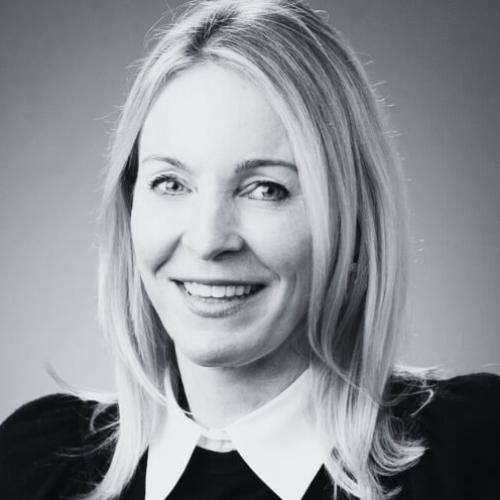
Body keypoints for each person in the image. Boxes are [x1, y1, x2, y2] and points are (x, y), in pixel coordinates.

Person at [1, 1, 499, 499]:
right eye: (171, 183)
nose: (207, 240)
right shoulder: (33, 465)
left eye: (265, 189)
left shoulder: (476, 449)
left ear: (352, 218)